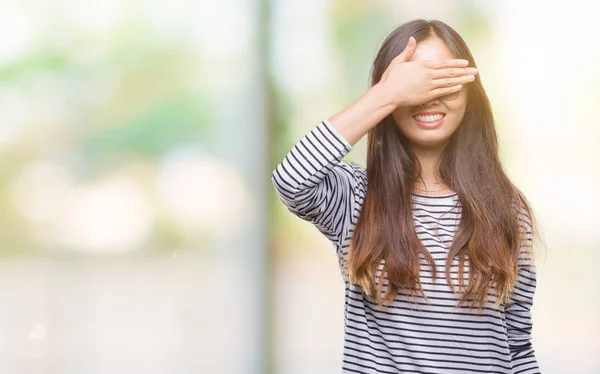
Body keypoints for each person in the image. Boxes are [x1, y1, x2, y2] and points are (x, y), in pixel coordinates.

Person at [271, 19, 541, 374]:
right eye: (415, 84)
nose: (429, 96)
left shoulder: (506, 208)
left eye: (442, 80)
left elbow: (518, 345)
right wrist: (385, 94)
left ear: (471, 92)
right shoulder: (356, 197)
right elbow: (291, 179)